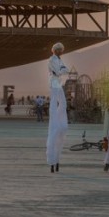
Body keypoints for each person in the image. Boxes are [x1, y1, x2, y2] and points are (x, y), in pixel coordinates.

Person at [46, 42, 70, 173]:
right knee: (55, 103)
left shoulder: (59, 59)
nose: (61, 52)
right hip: (54, 82)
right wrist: (61, 71)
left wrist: (62, 71)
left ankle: (56, 162)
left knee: (63, 103)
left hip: (58, 83)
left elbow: (65, 69)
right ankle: (53, 162)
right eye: (60, 50)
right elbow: (58, 70)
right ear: (56, 50)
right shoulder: (51, 60)